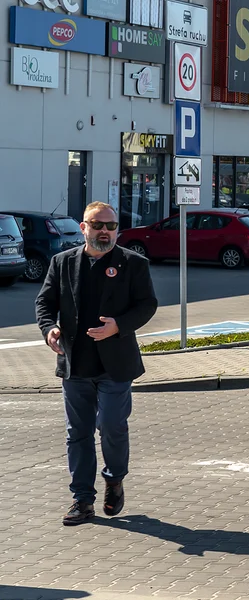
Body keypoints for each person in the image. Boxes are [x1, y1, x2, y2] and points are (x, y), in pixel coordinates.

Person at [35, 201, 158, 526]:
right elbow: (44, 302)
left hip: (115, 365)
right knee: (78, 433)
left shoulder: (133, 263)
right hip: (75, 364)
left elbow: (147, 304)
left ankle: (114, 478)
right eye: (98, 224)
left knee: (113, 426)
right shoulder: (62, 263)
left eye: (111, 225)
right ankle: (82, 500)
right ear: (83, 227)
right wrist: (50, 330)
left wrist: (118, 325)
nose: (105, 231)